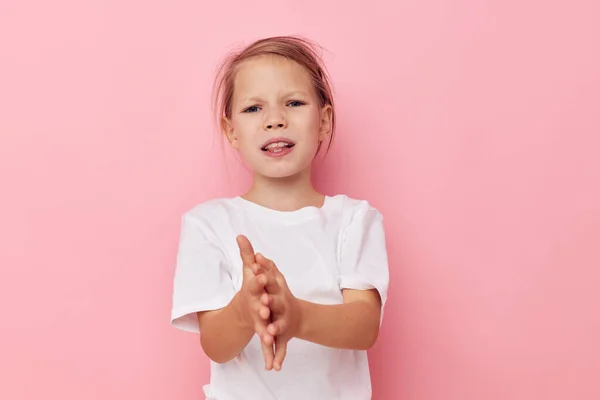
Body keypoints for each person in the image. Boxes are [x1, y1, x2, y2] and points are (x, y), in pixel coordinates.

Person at [170, 35, 390, 400]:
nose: (275, 120)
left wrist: (297, 316)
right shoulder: (207, 224)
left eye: (294, 102)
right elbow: (216, 346)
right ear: (231, 131)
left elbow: (364, 325)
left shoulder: (354, 219)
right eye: (254, 108)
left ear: (323, 121)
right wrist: (244, 309)